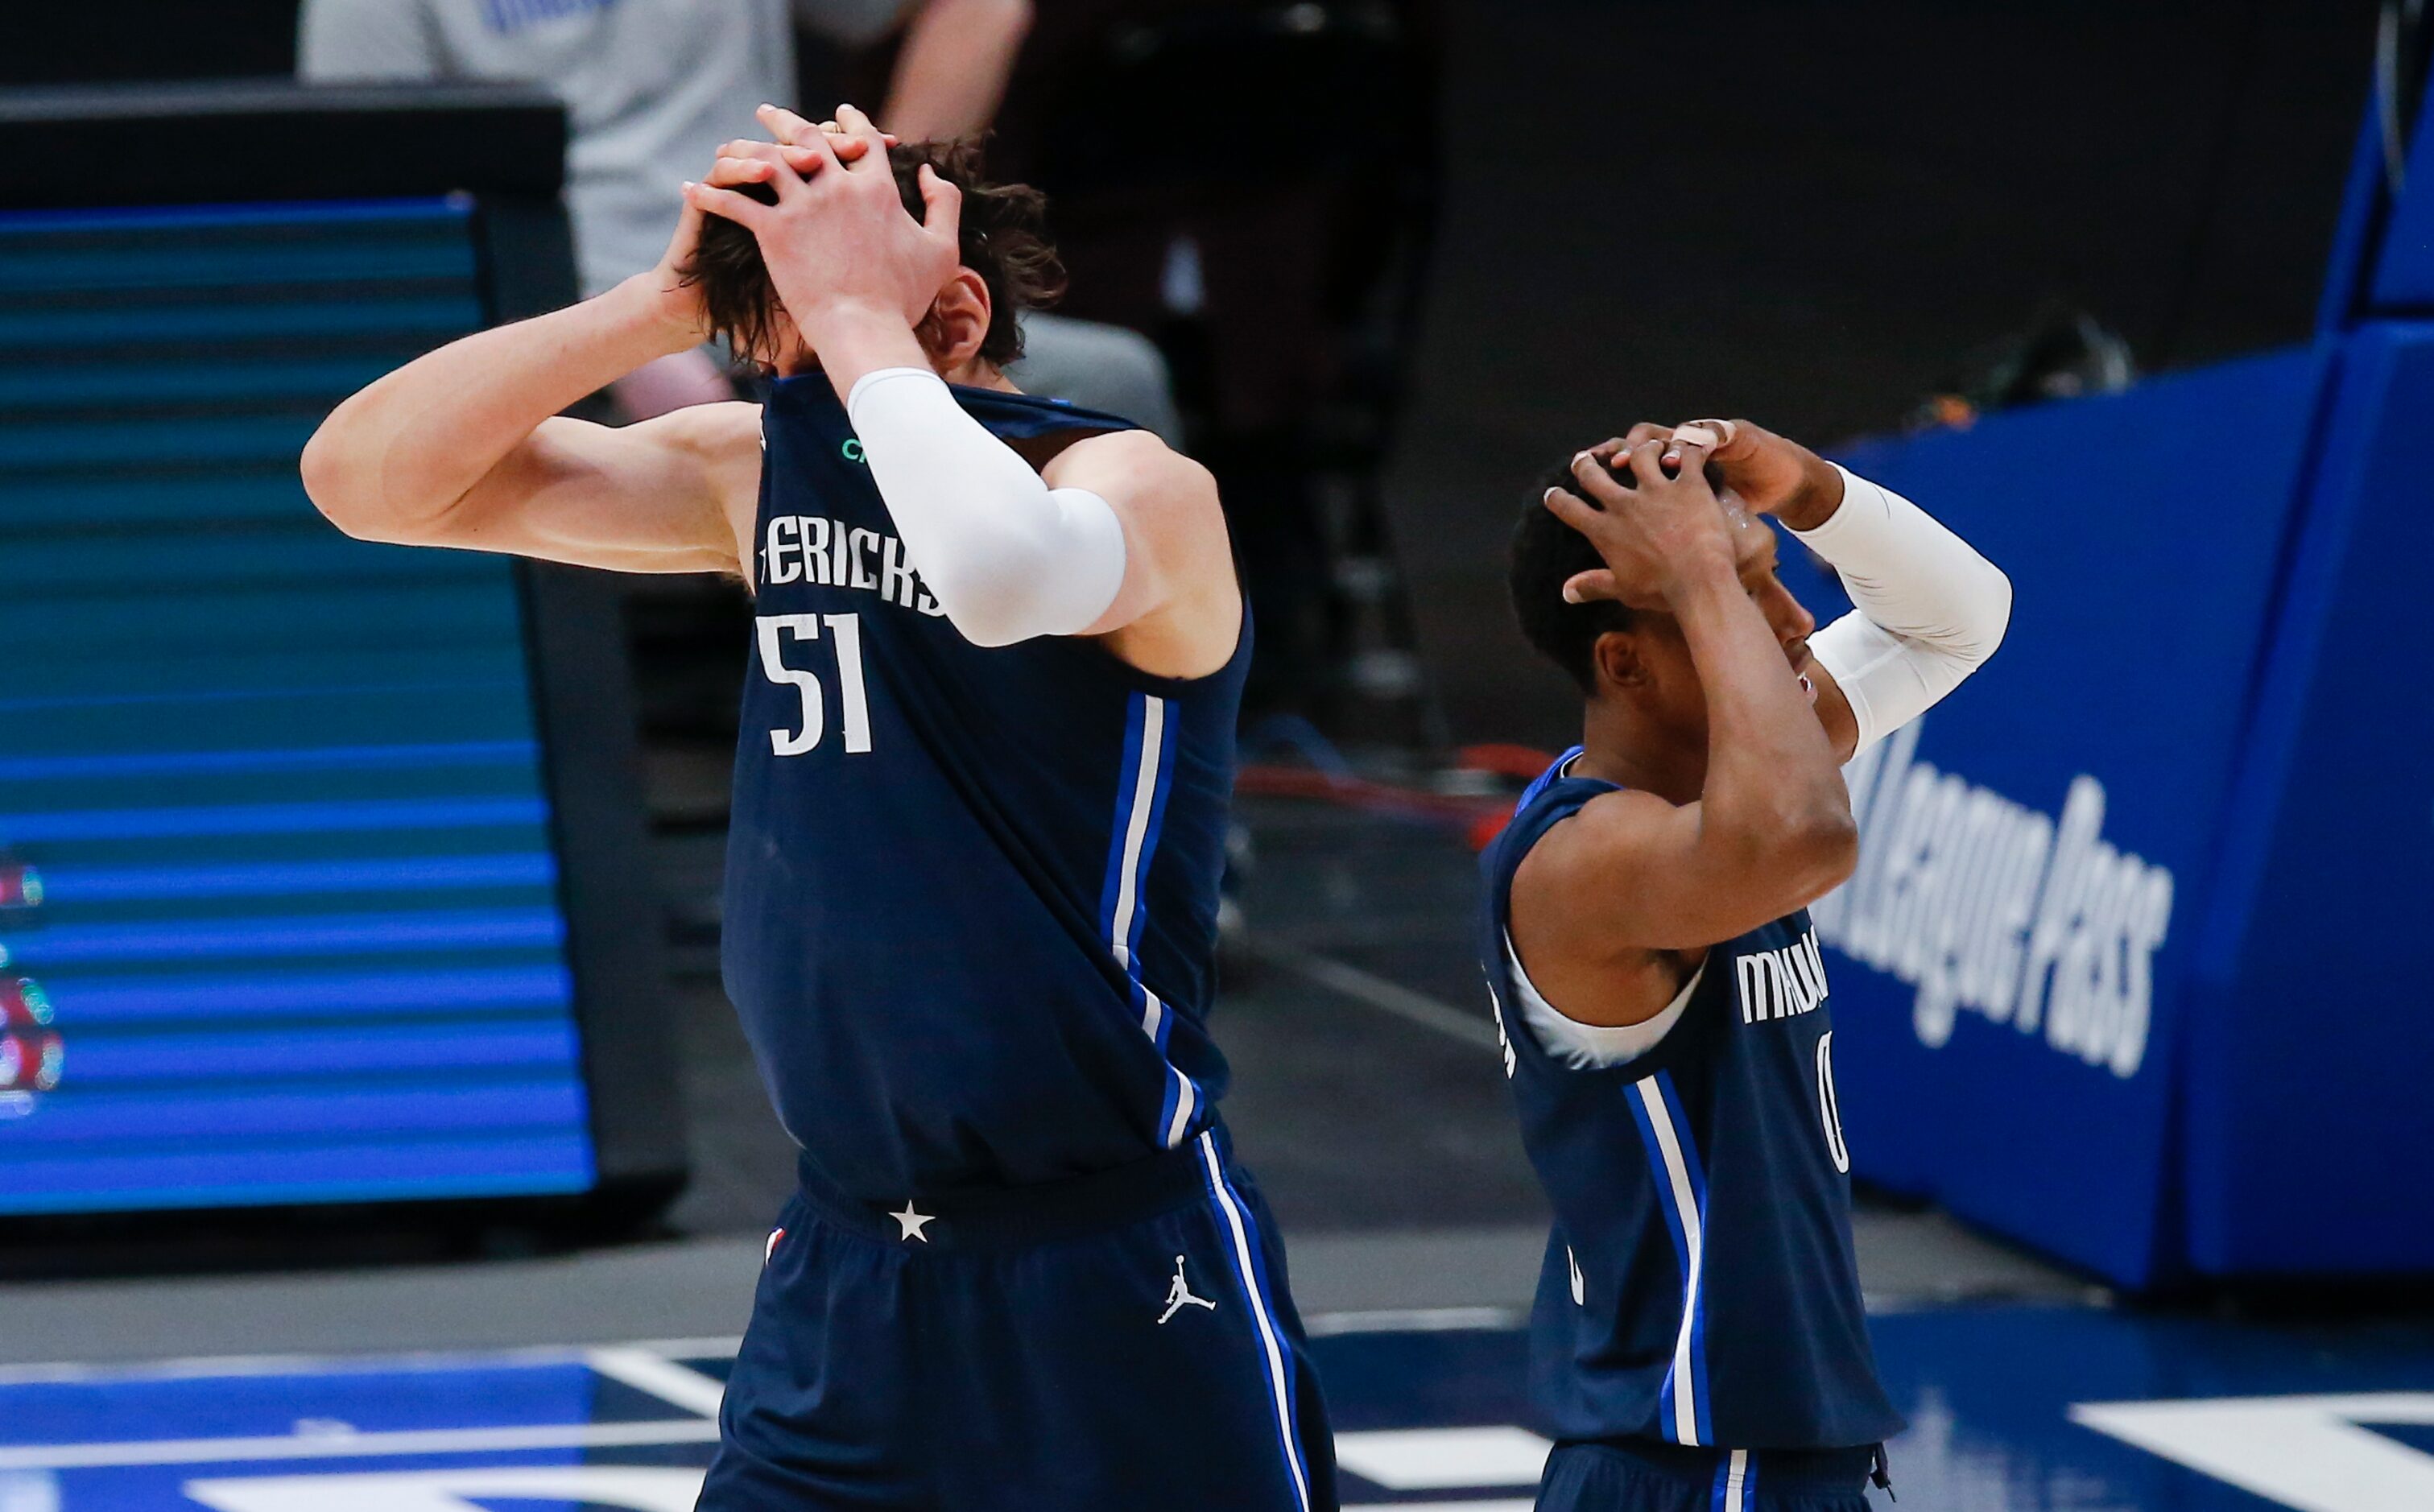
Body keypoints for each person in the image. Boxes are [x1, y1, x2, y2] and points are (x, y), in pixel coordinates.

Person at [299, 106, 1332, 1510]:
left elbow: (997, 573)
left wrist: (856, 311)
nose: (774, 356)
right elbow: (365, 483)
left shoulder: (1129, 485)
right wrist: (654, 303)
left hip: (1114, 1257)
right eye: (766, 317)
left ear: (953, 314)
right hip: (853, 1250)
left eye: (806, 310)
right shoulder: (756, 468)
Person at [1481, 420, 2010, 1510]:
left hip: (1759, 1452)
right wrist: (1695, 565)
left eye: (1771, 579)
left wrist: (1809, 488)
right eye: (1739, 592)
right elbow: (1805, 840)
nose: (1793, 619)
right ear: (1622, 661)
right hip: (1688, 1456)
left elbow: (1957, 620)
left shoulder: (1730, 781)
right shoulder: (1584, 863)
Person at [298, 0, 1179, 437]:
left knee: (1115, 383)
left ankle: (1106, 746)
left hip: (785, 283)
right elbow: (377, 180)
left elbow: (981, 9)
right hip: (561, 312)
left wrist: (883, 187)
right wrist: (604, 339)